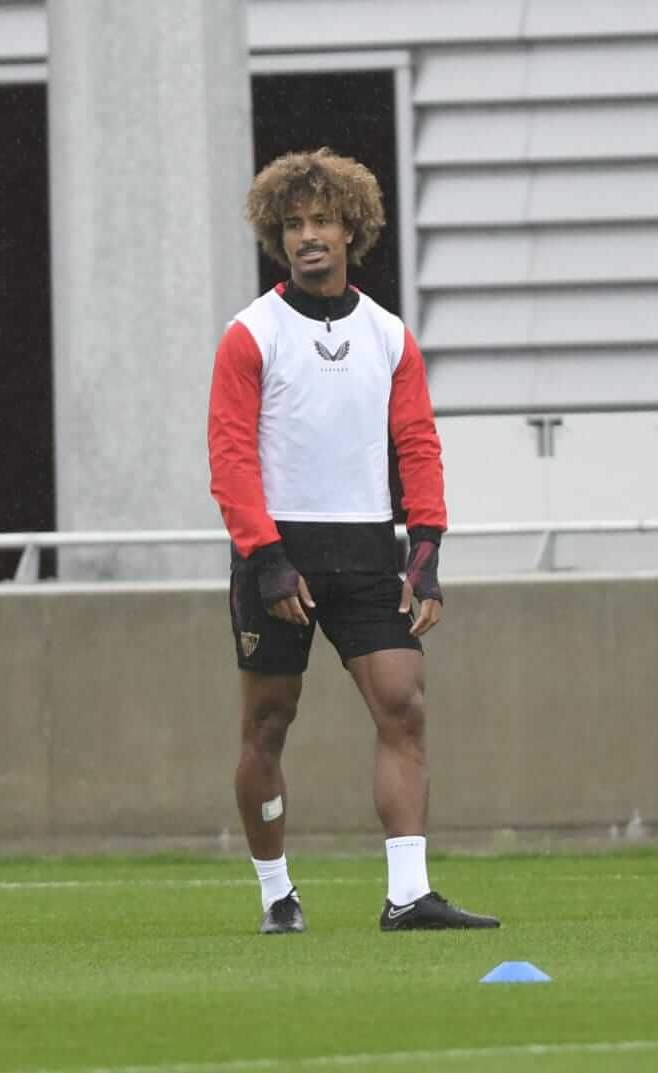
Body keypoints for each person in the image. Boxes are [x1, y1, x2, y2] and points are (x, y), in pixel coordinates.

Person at [208, 148, 499, 934]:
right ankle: (276, 892)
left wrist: (427, 551)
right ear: (278, 236)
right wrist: (265, 557)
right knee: (268, 723)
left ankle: (408, 895)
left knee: (404, 705)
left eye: (324, 221)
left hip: (368, 549)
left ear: (352, 231)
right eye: (294, 223)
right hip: (280, 554)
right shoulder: (249, 335)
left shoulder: (389, 335)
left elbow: (418, 444)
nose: (309, 236)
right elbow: (230, 457)